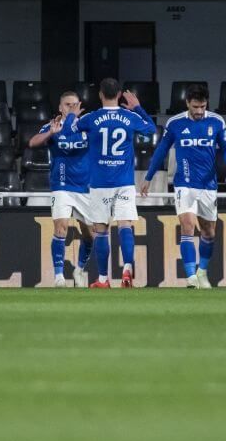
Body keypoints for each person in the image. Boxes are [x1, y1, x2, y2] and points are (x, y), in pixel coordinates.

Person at [140, 84, 226, 288]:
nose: (199, 111)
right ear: (187, 103)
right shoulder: (175, 123)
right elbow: (161, 150)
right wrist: (149, 177)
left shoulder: (216, 121)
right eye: (195, 107)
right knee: (187, 226)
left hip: (208, 184)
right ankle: (190, 277)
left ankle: (201, 272)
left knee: (209, 232)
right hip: (184, 183)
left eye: (202, 106)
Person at [64, 78, 156, 288]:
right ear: (119, 95)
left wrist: (71, 116)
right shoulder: (129, 116)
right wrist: (138, 108)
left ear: (100, 95)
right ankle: (126, 269)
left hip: (99, 183)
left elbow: (68, 132)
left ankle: (104, 279)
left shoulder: (91, 118)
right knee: (125, 225)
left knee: (101, 230)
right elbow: (151, 129)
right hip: (124, 182)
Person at [29, 91, 94, 288]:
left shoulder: (87, 127)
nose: (71, 108)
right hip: (62, 185)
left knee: (90, 235)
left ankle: (80, 269)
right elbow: (32, 143)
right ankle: (58, 276)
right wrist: (51, 133)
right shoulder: (53, 126)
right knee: (61, 227)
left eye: (74, 105)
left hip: (85, 187)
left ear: (80, 106)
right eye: (67, 105)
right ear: (60, 107)